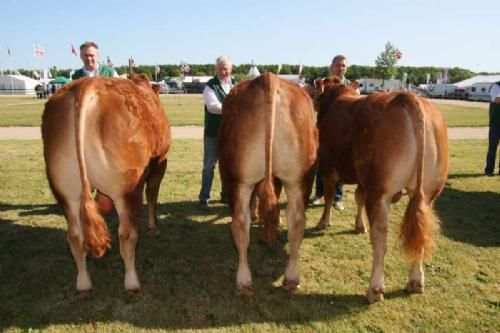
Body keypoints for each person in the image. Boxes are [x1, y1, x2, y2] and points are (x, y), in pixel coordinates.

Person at [312, 55, 355, 211]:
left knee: (341, 161)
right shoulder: (322, 82)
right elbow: (315, 105)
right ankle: (319, 194)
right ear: (331, 66)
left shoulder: (350, 85)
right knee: (322, 162)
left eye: (343, 65)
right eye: (338, 65)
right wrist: (319, 93)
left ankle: (338, 198)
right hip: (323, 127)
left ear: (347, 68)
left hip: (343, 130)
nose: (340, 68)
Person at [198, 55, 235, 208]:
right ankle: (204, 198)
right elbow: (213, 107)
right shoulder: (210, 86)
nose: (223, 71)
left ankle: (225, 195)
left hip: (231, 133)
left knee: (228, 165)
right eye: (220, 68)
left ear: (231, 69)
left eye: (226, 68)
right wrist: (234, 108)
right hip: (213, 133)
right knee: (209, 166)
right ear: (216, 69)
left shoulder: (234, 85)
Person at [484, 80, 500, 176]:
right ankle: (489, 170)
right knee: (492, 148)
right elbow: (497, 99)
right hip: (496, 123)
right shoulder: (496, 86)